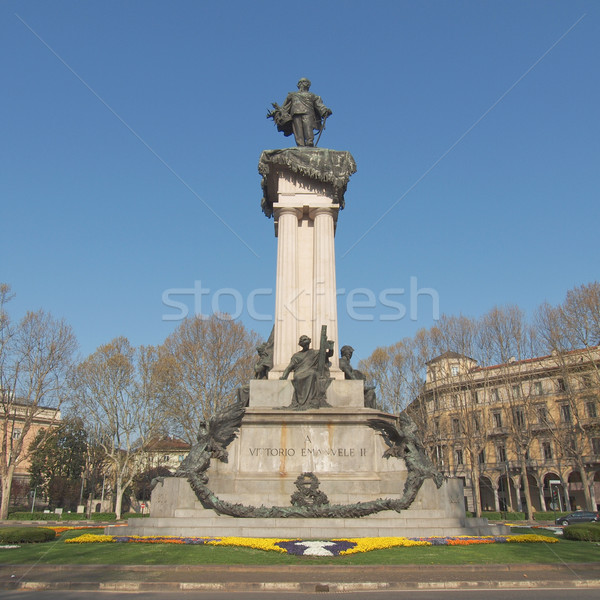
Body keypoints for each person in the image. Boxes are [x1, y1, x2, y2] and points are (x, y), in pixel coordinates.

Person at [268, 78, 332, 147]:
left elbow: (319, 105)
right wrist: (277, 111)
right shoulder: (292, 95)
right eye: (300, 82)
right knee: (298, 130)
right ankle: (300, 144)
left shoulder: (313, 96)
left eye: (304, 82)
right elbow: (284, 107)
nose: (302, 83)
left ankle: (309, 142)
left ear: (308, 85)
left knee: (308, 127)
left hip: (308, 113)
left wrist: (325, 111)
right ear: (298, 85)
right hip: (295, 113)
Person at [280, 335, 332, 409]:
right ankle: (302, 401)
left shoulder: (314, 353)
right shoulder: (296, 355)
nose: (306, 345)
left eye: (307, 344)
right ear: (302, 345)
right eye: (305, 344)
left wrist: (331, 347)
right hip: (299, 373)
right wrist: (284, 376)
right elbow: (289, 367)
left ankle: (310, 399)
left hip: (310, 372)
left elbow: (327, 355)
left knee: (312, 373)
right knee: (301, 376)